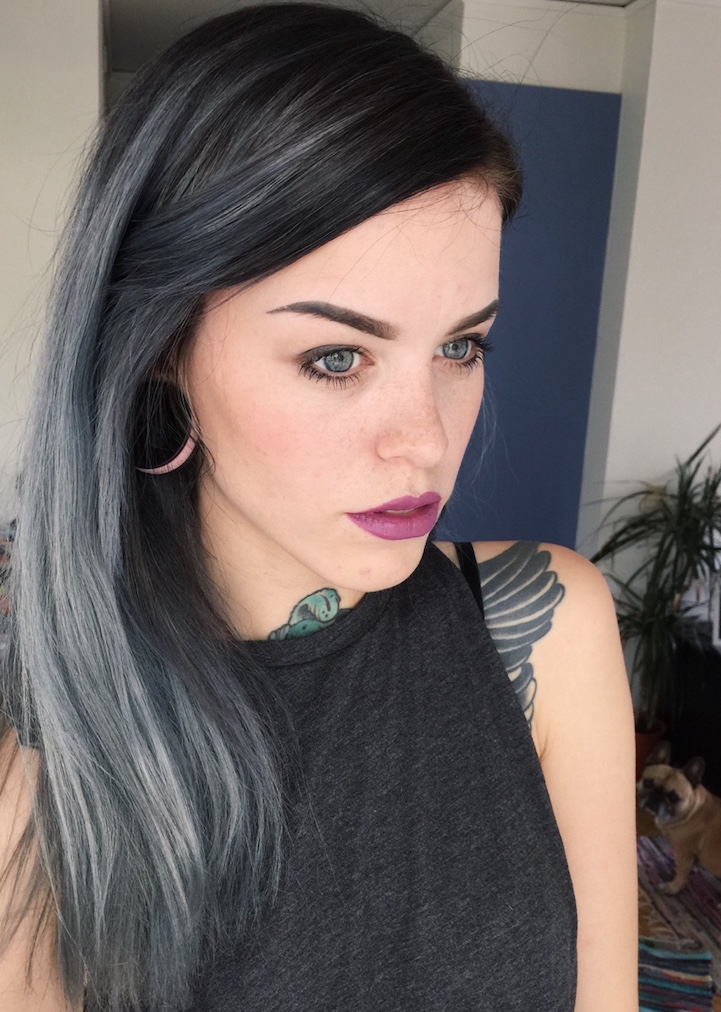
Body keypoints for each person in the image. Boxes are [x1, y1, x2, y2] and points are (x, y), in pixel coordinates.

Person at [0, 5, 637, 1010]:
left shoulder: (544, 630)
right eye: (336, 357)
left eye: (461, 346)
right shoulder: (43, 760)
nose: (425, 440)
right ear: (159, 345)